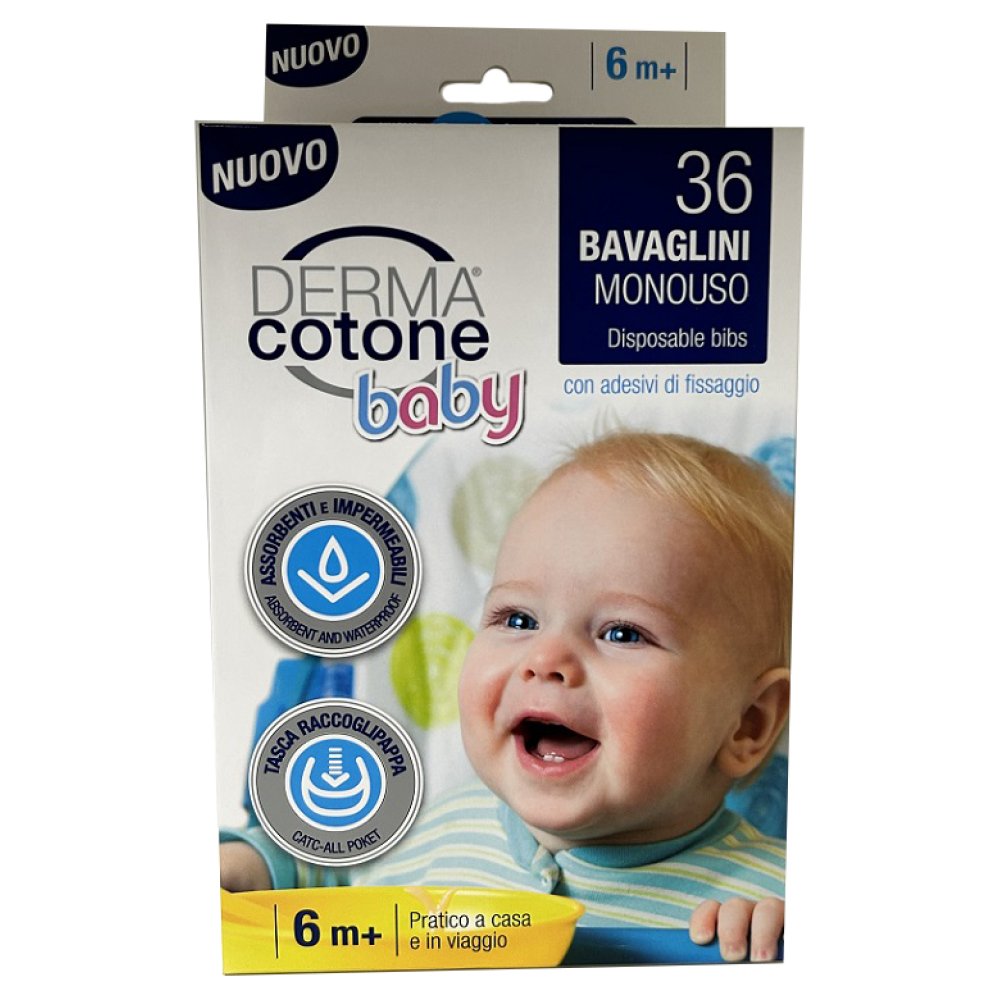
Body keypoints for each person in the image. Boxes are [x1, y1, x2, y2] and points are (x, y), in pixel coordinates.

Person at [221, 431, 793, 963]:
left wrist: (781, 945)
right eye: (518, 619)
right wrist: (254, 867)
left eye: (622, 633)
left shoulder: (767, 900)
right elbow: (329, 878)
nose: (546, 659)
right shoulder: (433, 828)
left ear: (748, 723)